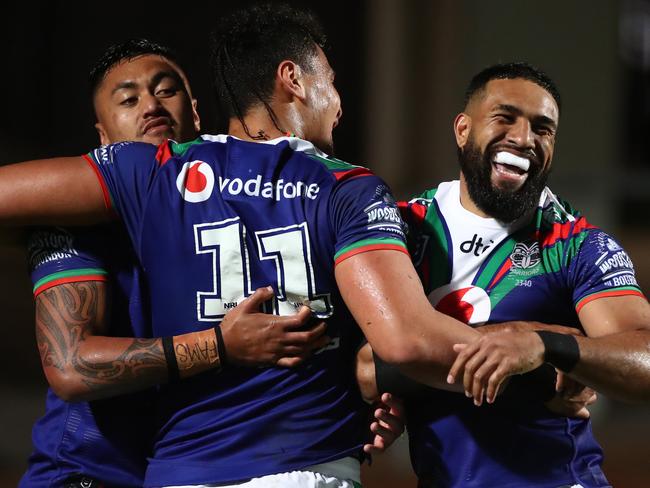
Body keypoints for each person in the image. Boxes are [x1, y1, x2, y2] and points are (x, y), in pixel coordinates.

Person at [0, 4, 548, 487]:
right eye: (331, 82)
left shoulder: (153, 177)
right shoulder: (343, 186)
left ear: (196, 112)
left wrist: (368, 394)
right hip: (104, 474)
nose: (337, 103)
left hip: (176, 472)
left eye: (166, 90)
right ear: (295, 79)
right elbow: (405, 337)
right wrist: (540, 359)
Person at [19, 38, 332, 488]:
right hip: (86, 475)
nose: (151, 106)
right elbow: (70, 366)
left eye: (166, 90)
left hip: (186, 472)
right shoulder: (77, 224)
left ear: (197, 114)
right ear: (103, 139)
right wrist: (218, 345)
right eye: (128, 99)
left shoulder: (247, 213)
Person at [357, 62, 650, 488]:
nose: (523, 138)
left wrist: (546, 343)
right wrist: (539, 364)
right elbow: (361, 364)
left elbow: (644, 357)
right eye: (505, 117)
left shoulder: (577, 245)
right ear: (462, 129)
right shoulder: (400, 232)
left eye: (543, 128)